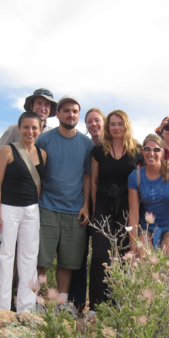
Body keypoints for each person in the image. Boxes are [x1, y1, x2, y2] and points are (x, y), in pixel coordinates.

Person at [35, 96, 94, 315]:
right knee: (41, 258)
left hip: (74, 210)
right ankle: (35, 301)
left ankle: (61, 304)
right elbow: (37, 175)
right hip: (46, 207)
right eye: (66, 111)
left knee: (68, 261)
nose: (71, 115)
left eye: (75, 111)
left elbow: (87, 176)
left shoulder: (86, 144)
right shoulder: (44, 140)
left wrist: (86, 205)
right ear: (57, 114)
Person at [0, 112, 47, 313]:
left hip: (31, 210)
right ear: (19, 128)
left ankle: (26, 308)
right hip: (7, 208)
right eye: (26, 127)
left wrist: (32, 206)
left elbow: (38, 185)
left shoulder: (42, 154)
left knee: (29, 258)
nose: (30, 131)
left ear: (40, 130)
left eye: (34, 128)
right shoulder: (7, 150)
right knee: (4, 257)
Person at [88, 110, 142, 311]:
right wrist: (94, 209)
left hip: (128, 204)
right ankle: (96, 305)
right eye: (112, 124)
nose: (116, 127)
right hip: (103, 203)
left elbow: (150, 171)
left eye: (120, 123)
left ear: (126, 125)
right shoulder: (99, 150)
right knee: (101, 252)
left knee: (124, 252)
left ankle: (119, 304)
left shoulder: (137, 150)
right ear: (107, 127)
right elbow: (93, 182)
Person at [68, 107, 107, 313]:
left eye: (97, 120)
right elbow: (85, 176)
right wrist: (85, 204)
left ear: (104, 122)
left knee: (103, 256)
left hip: (109, 206)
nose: (94, 124)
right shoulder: (84, 145)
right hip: (84, 204)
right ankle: (77, 301)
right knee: (79, 254)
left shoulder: (116, 145)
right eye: (90, 121)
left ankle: (104, 303)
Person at [127, 134, 169, 254]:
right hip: (146, 227)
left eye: (156, 150)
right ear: (142, 151)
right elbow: (133, 215)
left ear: (162, 153)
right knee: (143, 256)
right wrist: (133, 249)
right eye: (147, 149)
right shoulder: (135, 176)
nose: (151, 153)